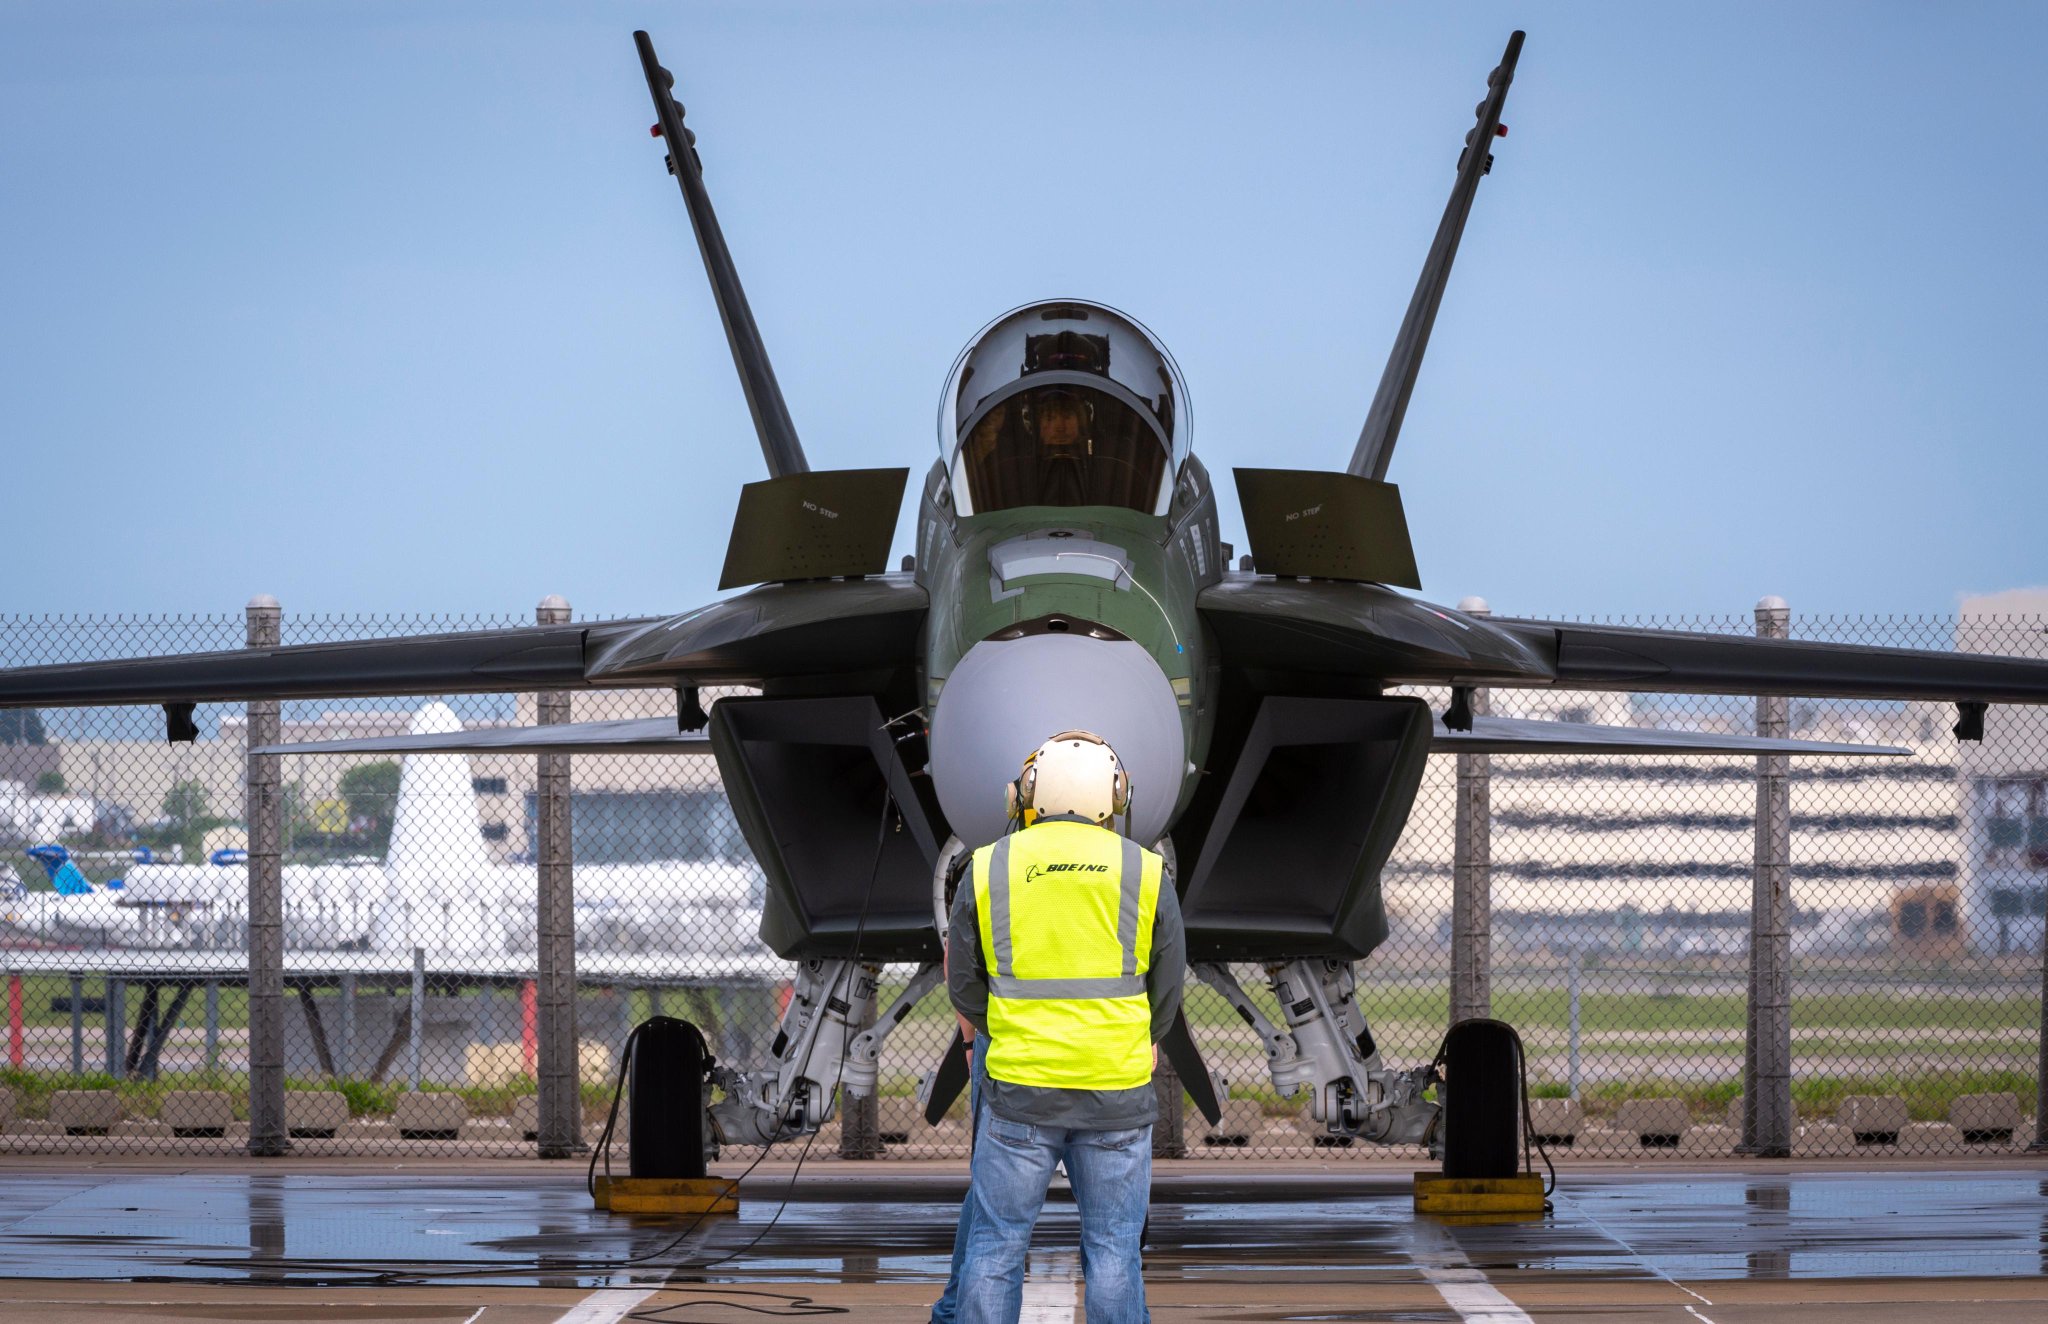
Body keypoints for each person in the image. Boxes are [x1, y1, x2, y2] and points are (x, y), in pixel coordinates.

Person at [947, 731, 1184, 1324]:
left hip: (1019, 1090)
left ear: (1026, 795)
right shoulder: (1148, 871)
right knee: (1112, 1253)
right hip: (1116, 1091)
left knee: (996, 1248)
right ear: (1116, 796)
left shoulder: (986, 867)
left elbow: (964, 984)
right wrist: (1143, 1038)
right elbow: (1170, 984)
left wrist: (997, 1032)